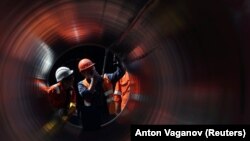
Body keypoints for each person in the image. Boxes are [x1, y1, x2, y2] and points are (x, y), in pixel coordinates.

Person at [77, 58, 125, 131]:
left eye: (92, 68)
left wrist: (120, 64)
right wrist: (93, 81)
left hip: (109, 115)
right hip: (93, 119)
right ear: (83, 73)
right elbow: (86, 95)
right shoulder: (81, 84)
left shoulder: (106, 78)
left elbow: (120, 73)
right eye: (88, 70)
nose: (91, 71)